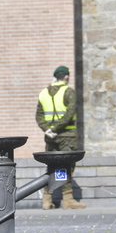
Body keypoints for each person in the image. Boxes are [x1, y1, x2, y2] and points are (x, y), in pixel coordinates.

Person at [35, 65, 86, 210]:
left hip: (50, 137)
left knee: (51, 166)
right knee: (67, 165)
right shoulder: (68, 91)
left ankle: (47, 199)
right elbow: (70, 113)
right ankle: (68, 199)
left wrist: (48, 130)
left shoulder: (44, 92)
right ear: (67, 77)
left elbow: (38, 115)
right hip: (67, 136)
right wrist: (56, 129)